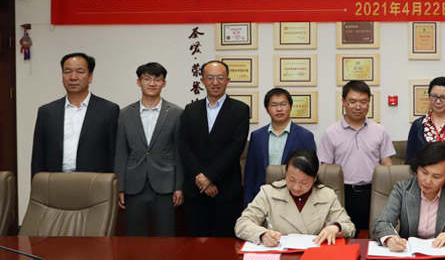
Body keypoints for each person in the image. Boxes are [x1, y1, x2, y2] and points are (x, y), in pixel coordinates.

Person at [373, 142, 445, 250]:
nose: (428, 181)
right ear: (417, 168)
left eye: (436, 176)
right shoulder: (403, 189)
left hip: (443, 257)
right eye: (424, 172)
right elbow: (382, 222)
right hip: (409, 256)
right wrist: (389, 239)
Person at [179, 60, 249, 237]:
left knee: (226, 243)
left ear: (228, 80)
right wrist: (201, 178)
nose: (215, 82)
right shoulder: (190, 110)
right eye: (210, 78)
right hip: (196, 189)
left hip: (226, 189)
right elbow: (184, 146)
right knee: (196, 242)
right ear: (202, 81)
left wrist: (210, 176)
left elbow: (236, 147)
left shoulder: (240, 110)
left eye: (220, 78)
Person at [114, 62, 184, 237]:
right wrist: (120, 187)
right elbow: (121, 153)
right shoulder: (124, 114)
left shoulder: (176, 113)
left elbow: (179, 152)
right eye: (147, 79)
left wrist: (179, 186)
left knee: (166, 237)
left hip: (165, 185)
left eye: (157, 79)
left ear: (164, 83)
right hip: (134, 184)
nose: (152, 83)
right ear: (139, 82)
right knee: (135, 238)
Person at [318, 81, 395, 235]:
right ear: (343, 102)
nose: (358, 106)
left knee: (375, 235)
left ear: (369, 103)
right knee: (343, 234)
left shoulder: (380, 131)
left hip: (374, 192)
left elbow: (387, 166)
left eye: (363, 102)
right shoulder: (330, 133)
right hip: (342, 193)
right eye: (352, 102)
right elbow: (326, 170)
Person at [236, 149, 355, 245]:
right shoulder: (268, 193)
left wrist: (335, 228)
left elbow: (349, 227)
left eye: (304, 182)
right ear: (286, 173)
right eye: (291, 179)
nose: (296, 187)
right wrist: (262, 234)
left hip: (314, 257)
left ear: (315, 178)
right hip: (279, 257)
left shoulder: (327, 195)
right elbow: (242, 224)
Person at [32, 52, 119, 178]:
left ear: (90, 77)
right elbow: (38, 157)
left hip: (94, 183)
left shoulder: (108, 110)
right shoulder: (47, 112)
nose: (73, 77)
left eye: (80, 71)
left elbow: (115, 154)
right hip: (55, 182)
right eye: (67, 72)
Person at [243, 88, 316, 206]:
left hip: (293, 196)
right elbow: (250, 174)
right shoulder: (257, 136)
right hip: (262, 197)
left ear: (290, 107)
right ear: (267, 109)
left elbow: (310, 172)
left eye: (283, 104)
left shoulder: (305, 136)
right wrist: (248, 203)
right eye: (273, 105)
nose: (279, 109)